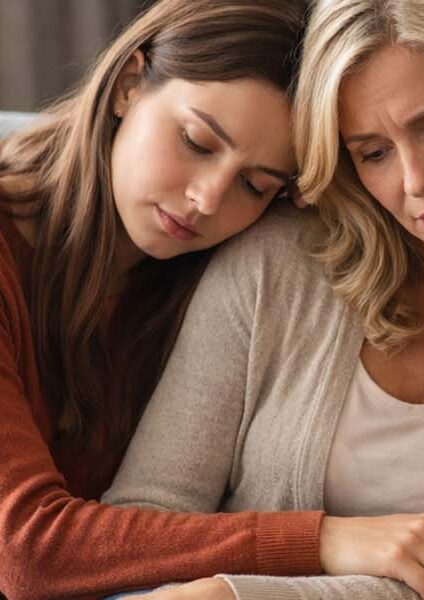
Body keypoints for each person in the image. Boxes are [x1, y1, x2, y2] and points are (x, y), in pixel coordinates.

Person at [102, 1, 424, 599]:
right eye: (373, 152)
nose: (414, 181)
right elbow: (148, 514)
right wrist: (320, 540)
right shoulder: (276, 264)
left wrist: (231, 595)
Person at [0, 2, 387, 598]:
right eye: (197, 142)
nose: (208, 199)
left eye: (254, 185)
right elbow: (26, 552)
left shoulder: (218, 276)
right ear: (129, 83)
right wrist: (322, 541)